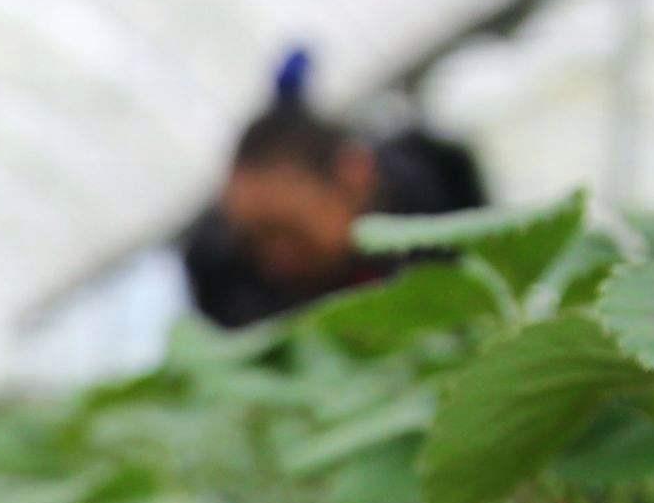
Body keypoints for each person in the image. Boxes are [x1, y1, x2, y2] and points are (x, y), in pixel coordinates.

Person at [177, 58, 486, 332]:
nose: (275, 260)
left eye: (287, 232)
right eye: (251, 242)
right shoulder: (230, 285)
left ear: (354, 175)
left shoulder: (443, 202)